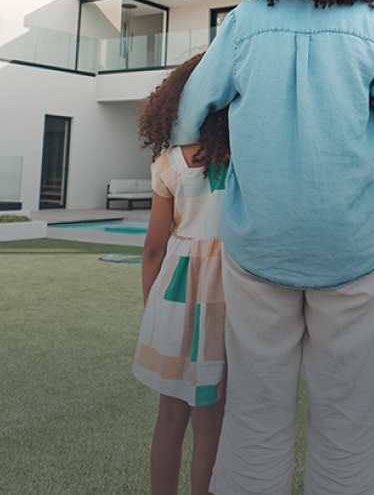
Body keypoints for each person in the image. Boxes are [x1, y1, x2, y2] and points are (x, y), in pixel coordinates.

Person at [169, 0, 374, 495]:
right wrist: (361, 190)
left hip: (259, 247)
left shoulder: (246, 21)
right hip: (353, 248)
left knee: (255, 414)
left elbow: (190, 113)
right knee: (351, 419)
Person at [133, 53, 229, 495]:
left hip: (172, 291)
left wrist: (152, 307)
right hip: (227, 291)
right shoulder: (244, 160)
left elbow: (154, 247)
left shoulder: (168, 163)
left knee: (169, 418)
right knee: (212, 420)